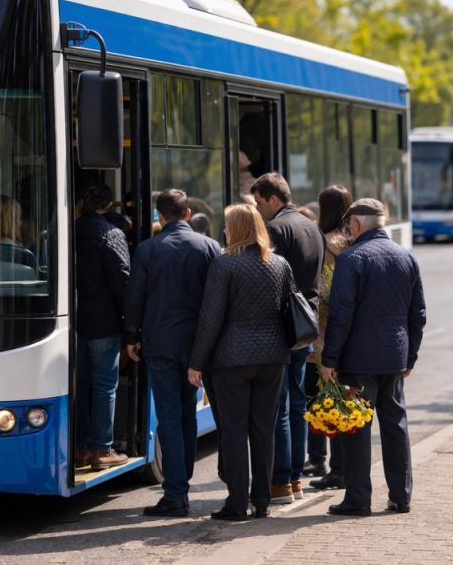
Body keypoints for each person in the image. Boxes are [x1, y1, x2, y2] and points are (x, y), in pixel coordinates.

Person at [320, 198, 426, 517]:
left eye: (348, 224)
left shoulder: (352, 259)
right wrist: (411, 355)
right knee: (395, 426)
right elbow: (417, 313)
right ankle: (401, 495)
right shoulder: (406, 257)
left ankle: (358, 498)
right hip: (394, 356)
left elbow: (341, 314)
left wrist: (329, 358)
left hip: (358, 360)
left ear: (355, 224)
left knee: (356, 428)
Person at [186, 204, 292, 521]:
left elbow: (211, 319)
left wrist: (197, 362)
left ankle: (235, 503)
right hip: (273, 358)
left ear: (236, 229)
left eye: (227, 224)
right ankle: (262, 500)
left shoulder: (224, 264)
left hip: (231, 359)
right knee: (263, 429)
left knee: (234, 431)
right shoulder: (279, 263)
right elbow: (289, 308)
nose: (224, 229)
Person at [123, 189, 221, 517]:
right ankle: (183, 479)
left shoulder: (148, 250)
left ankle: (176, 491)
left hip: (160, 343)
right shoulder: (209, 246)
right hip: (197, 345)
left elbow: (135, 297)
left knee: (168, 415)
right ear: (188, 214)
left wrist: (132, 336)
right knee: (187, 413)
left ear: (159, 216)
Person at [250, 172, 325, 504]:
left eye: (260, 203)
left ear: (273, 199)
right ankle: (294, 478)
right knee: (297, 404)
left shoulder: (277, 228)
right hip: (305, 325)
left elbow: (267, 279)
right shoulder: (311, 226)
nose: (259, 210)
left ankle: (280, 480)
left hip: (280, 327)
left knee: (279, 406)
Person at [74, 184, 131, 470]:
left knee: (80, 385)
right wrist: (131, 322)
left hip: (72, 322)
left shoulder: (68, 231)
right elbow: (122, 279)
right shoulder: (111, 234)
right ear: (109, 206)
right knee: (105, 386)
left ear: (83, 202)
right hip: (104, 322)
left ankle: (82, 446)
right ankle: (101, 449)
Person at [306, 185, 352, 491]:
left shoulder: (324, 243)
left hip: (324, 334)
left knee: (320, 398)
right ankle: (341, 465)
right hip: (352, 334)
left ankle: (328, 464)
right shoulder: (353, 240)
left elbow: (321, 291)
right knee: (345, 399)